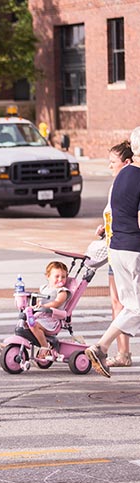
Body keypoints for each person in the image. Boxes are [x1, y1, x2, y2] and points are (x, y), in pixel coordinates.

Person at [85, 127, 140, 378]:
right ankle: (101, 346)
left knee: (131, 305)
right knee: (135, 308)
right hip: (132, 249)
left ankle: (103, 347)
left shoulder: (123, 175)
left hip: (117, 247)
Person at [95, 141, 134, 367]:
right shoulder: (115, 186)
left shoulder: (129, 183)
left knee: (131, 304)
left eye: (113, 162)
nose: (110, 167)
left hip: (128, 249)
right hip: (114, 248)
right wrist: (104, 228)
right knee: (117, 302)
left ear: (126, 163)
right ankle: (123, 353)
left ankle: (108, 347)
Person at [27, 261, 70, 359]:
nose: (60, 279)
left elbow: (57, 302)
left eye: (63, 277)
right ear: (48, 276)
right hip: (40, 315)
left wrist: (45, 306)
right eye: (57, 276)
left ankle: (44, 346)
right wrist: (36, 305)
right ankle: (16, 344)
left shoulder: (62, 291)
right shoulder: (44, 288)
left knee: (33, 324)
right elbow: (39, 300)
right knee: (24, 323)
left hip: (51, 319)